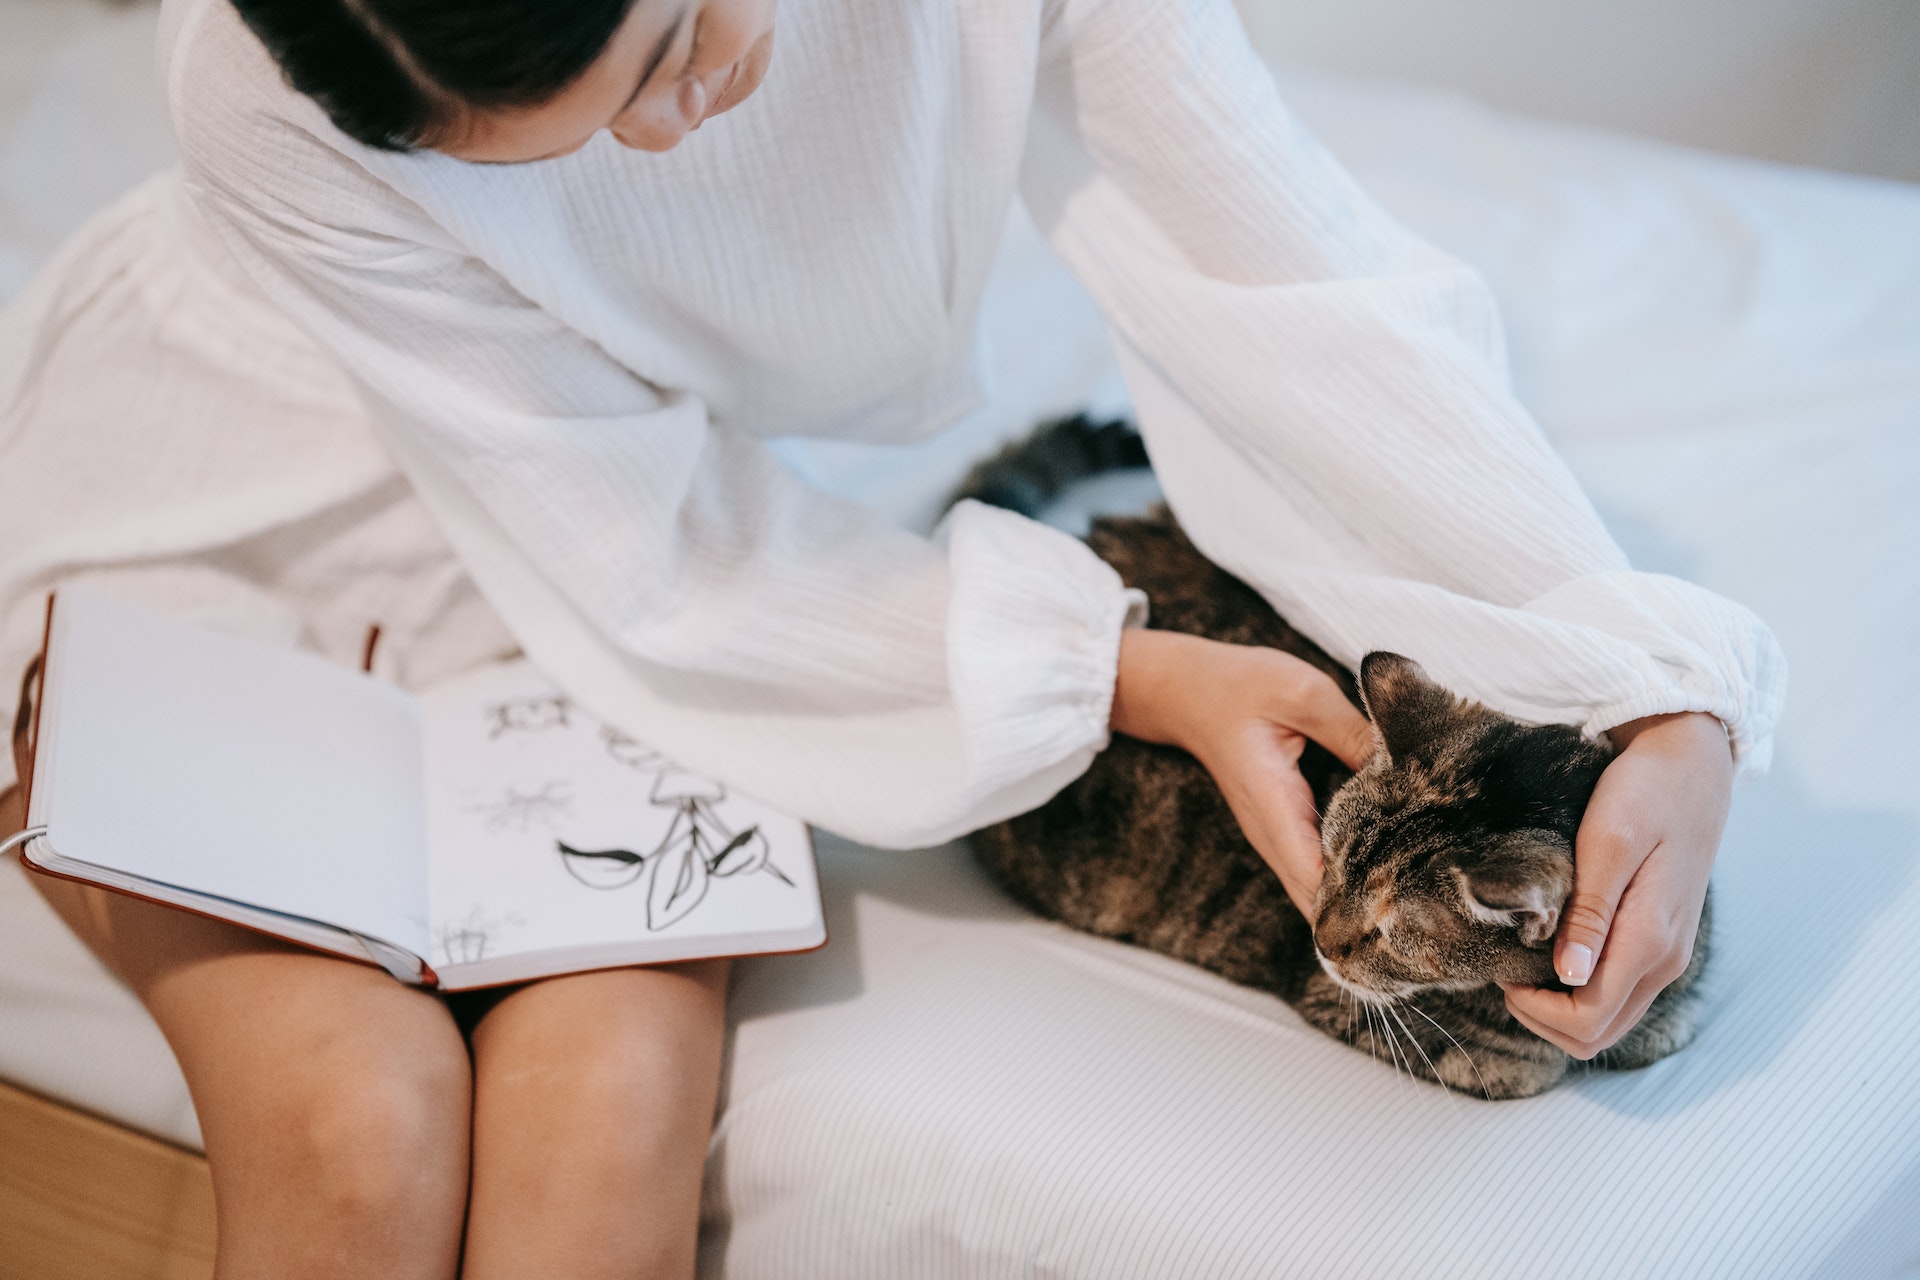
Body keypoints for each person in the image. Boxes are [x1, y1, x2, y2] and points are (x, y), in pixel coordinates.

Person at [0, 0, 1783, 1273]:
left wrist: (1644, 685)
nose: (665, 131)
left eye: (667, 45)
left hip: (627, 621)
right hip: (256, 555)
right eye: (574, 138)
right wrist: (1113, 661)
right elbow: (649, 547)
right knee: (356, 1132)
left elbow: (1284, 278)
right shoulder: (264, 95)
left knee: (606, 1138)